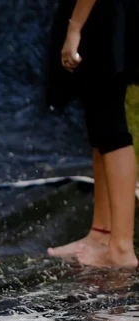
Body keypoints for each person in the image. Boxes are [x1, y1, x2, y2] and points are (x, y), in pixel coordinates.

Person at [47, 0, 138, 268]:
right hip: (100, 15)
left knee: (110, 127)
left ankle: (121, 248)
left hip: (102, 16)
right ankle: (101, 233)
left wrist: (75, 27)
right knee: (99, 124)